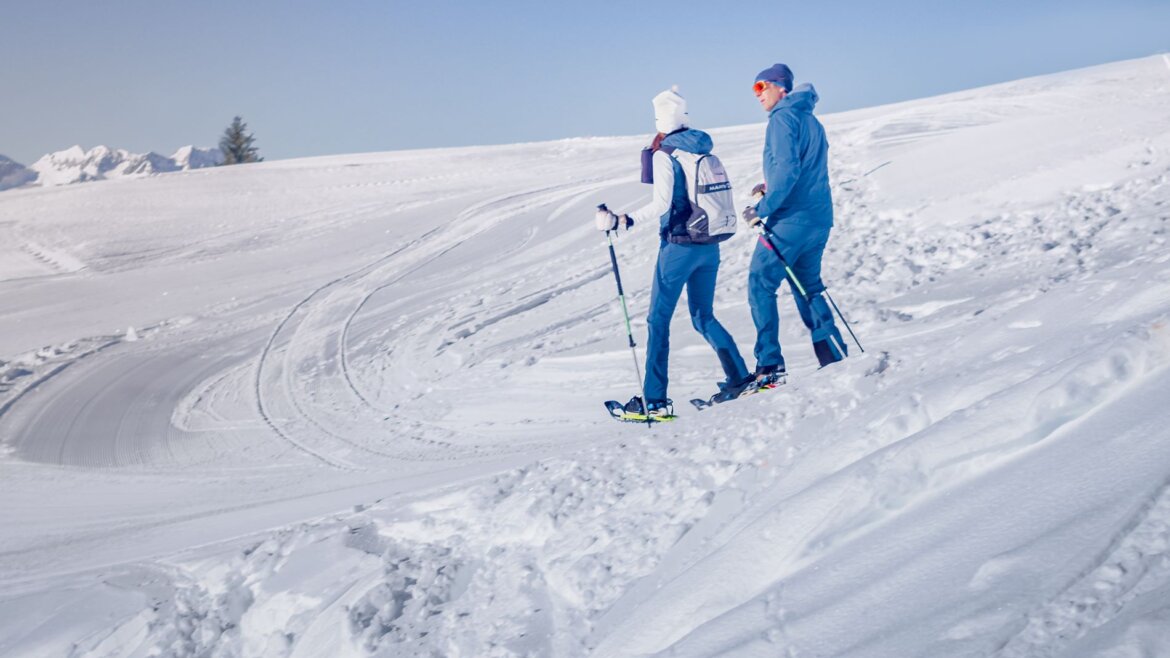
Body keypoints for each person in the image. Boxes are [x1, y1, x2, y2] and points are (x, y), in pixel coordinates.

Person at [598, 87, 755, 417]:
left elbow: (661, 204)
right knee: (703, 316)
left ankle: (654, 399)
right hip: (708, 245)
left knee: (658, 320)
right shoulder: (698, 149)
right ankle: (739, 377)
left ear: (659, 121)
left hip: (679, 248)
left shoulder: (665, 155)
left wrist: (622, 220)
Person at [742, 63, 848, 385]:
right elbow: (803, 169)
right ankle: (834, 356)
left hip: (791, 220)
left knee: (760, 283)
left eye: (761, 87)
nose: (757, 95)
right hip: (818, 218)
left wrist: (762, 207)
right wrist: (769, 186)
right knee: (809, 287)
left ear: (780, 87)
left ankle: (769, 366)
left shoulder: (782, 118)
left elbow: (789, 171)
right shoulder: (811, 121)